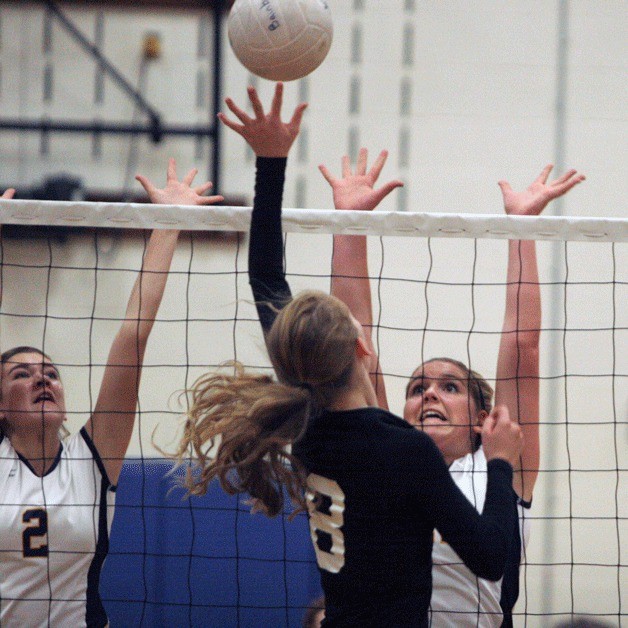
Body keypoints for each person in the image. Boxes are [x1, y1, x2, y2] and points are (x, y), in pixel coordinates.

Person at [172, 83, 523, 627]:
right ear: (363, 347)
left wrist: (269, 163)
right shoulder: (404, 452)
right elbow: (491, 556)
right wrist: (500, 463)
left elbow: (266, 276)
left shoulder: (307, 427)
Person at [321, 151, 585, 626]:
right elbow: (351, 339)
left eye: (450, 387)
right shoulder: (388, 454)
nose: (429, 395)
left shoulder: (500, 466)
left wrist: (520, 228)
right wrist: (348, 221)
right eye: (418, 387)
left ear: (485, 421)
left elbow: (523, 346)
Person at [0, 162, 222, 627]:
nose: (42, 380)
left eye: (50, 373)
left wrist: (168, 225)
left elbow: (132, 336)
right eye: (22, 375)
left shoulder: (92, 458)